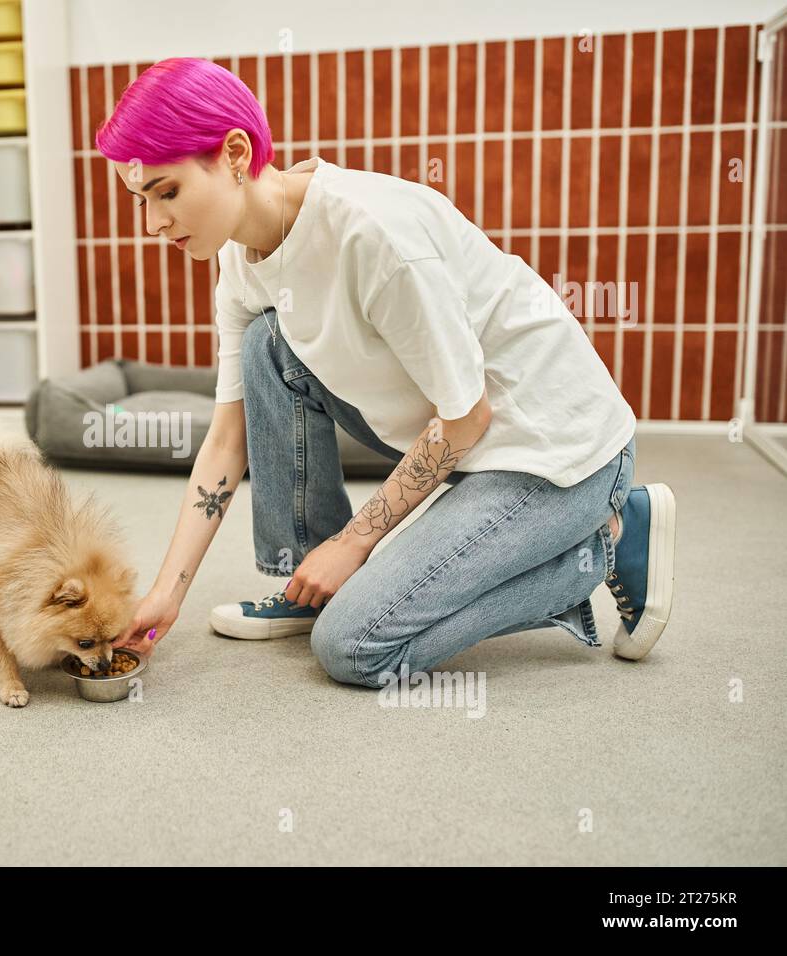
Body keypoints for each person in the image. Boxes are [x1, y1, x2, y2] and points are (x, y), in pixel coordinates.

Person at [98, 57, 677, 687]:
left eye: (167, 193)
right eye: (140, 200)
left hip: (555, 452)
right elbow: (227, 438)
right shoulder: (240, 262)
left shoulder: (374, 235)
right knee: (270, 344)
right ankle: (306, 580)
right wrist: (166, 594)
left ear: (234, 152)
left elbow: (467, 415)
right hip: (463, 439)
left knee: (353, 646)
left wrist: (354, 543)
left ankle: (607, 538)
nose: (153, 224)